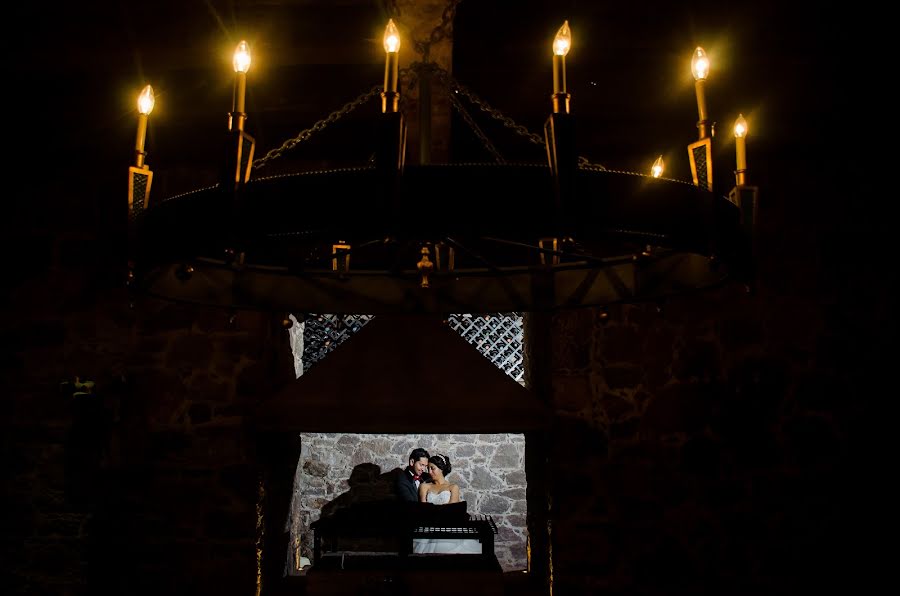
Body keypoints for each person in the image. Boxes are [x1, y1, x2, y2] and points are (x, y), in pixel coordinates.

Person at [413, 454, 481, 554]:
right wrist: (435, 512)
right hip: (429, 524)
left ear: (441, 469)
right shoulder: (425, 486)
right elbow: (423, 508)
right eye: (428, 468)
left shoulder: (453, 487)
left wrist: (433, 510)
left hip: (448, 525)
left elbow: (451, 511)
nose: (429, 472)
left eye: (432, 468)